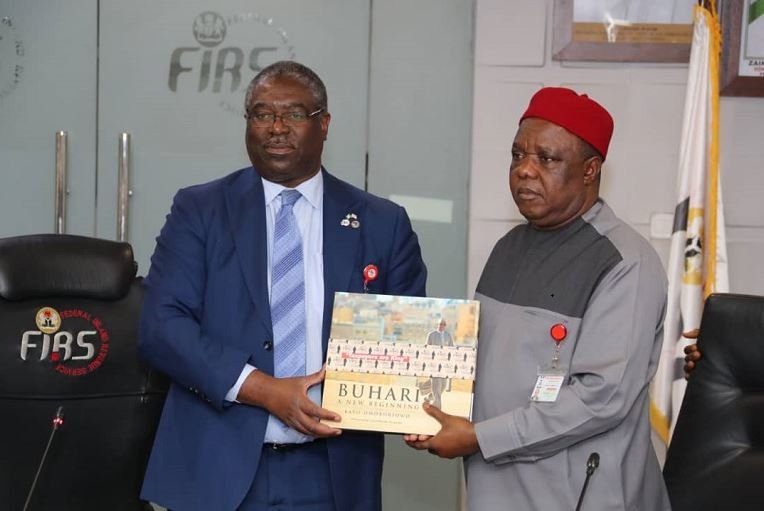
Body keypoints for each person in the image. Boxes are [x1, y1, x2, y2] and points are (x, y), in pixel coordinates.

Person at [139, 61, 427, 511]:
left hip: (333, 473)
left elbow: (408, 342)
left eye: (293, 115)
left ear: (324, 124)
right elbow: (162, 326)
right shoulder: (200, 209)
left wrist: (418, 399)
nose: (276, 128)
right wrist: (261, 388)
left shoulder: (381, 223)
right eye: (261, 114)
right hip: (220, 468)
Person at [405, 87, 671, 510]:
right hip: (497, 488)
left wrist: (477, 437)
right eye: (517, 155)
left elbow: (600, 399)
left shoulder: (625, 262)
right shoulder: (509, 247)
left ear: (590, 170)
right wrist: (419, 404)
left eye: (546, 159)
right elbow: (481, 365)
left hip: (580, 496)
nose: (524, 170)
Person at [425, 318, 454, 408]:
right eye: (441, 324)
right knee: (436, 385)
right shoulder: (431, 335)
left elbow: (452, 348)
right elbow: (427, 348)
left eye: (444, 324)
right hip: (434, 364)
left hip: (444, 365)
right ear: (437, 324)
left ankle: (429, 397)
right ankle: (437, 407)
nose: (442, 326)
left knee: (443, 386)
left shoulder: (448, 335)